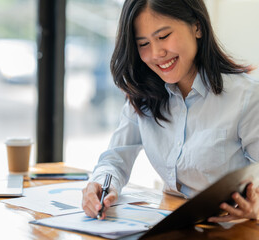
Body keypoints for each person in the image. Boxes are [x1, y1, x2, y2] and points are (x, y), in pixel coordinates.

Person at [82, 0, 259, 223]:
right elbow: (116, 158)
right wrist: (101, 184)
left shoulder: (247, 97)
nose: (156, 53)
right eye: (143, 43)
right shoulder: (144, 95)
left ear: (197, 27)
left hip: (232, 228)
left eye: (163, 36)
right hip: (172, 222)